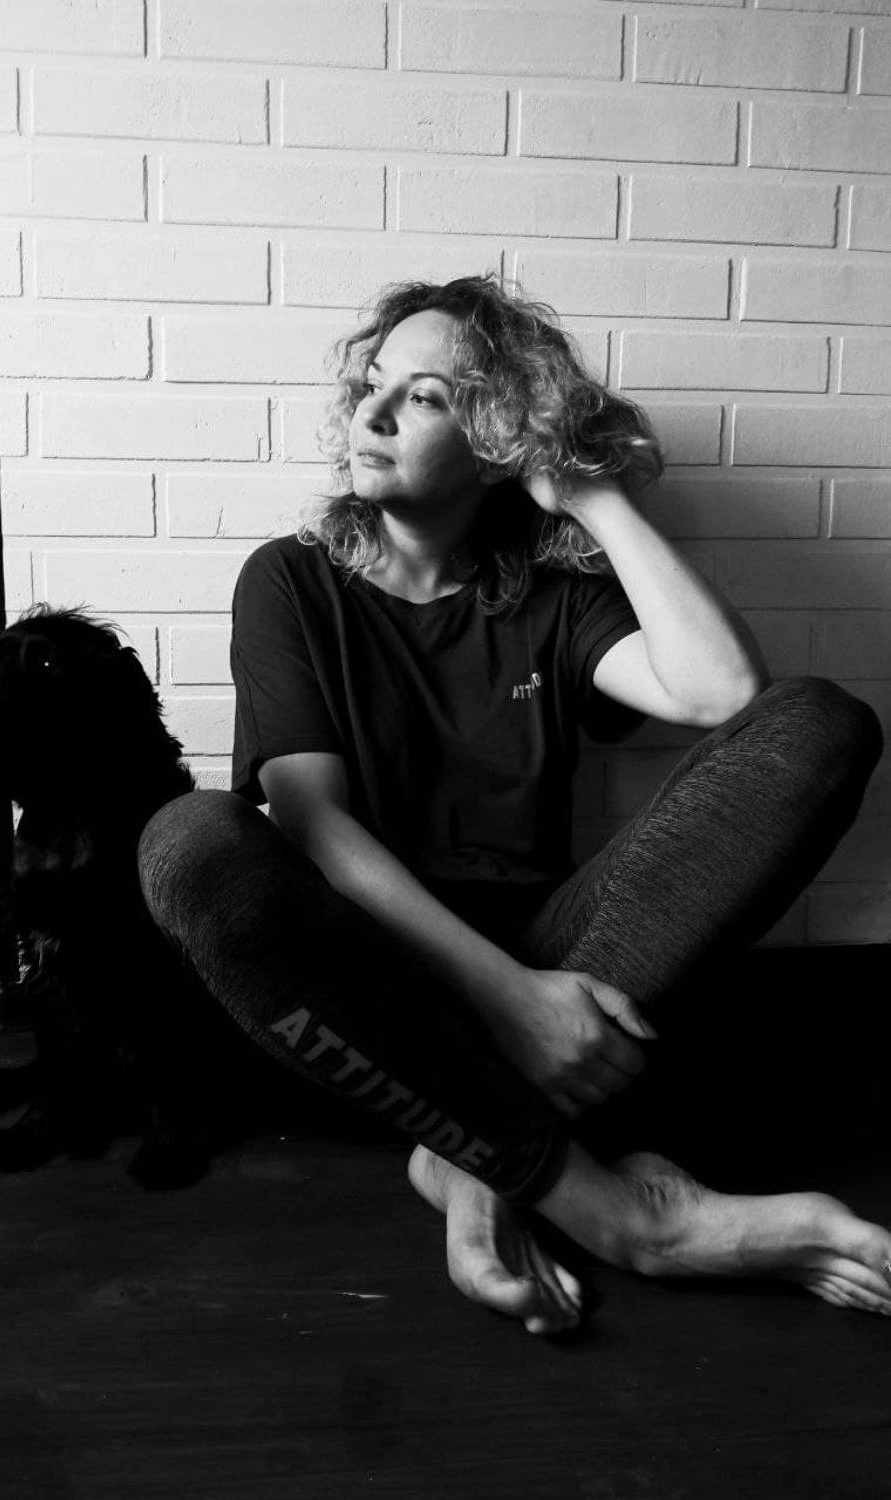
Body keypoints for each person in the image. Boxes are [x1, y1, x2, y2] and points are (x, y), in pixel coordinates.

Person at [137, 275, 890, 1336]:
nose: (371, 412)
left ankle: (460, 1154)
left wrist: (590, 498)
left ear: (497, 441)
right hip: (368, 995)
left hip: (560, 959)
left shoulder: (550, 596)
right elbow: (312, 825)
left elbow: (722, 693)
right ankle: (625, 1216)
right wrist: (509, 1002)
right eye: (372, 381)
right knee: (189, 842)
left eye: (425, 396)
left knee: (819, 722)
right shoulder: (290, 581)